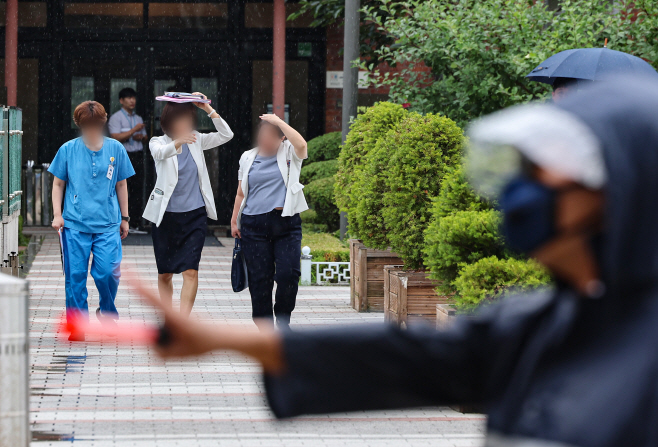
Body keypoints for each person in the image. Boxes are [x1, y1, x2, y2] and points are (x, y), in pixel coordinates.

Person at [136, 78, 658, 445]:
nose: (522, 193)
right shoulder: (541, 320)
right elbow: (405, 357)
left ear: (623, 194)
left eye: (546, 177)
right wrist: (219, 340)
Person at [50, 101, 135, 342]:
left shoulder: (116, 149)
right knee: (75, 277)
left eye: (96, 124)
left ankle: (107, 312)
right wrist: (58, 215)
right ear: (79, 124)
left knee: (108, 272)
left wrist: (125, 218)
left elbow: (121, 184)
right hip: (75, 224)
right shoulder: (68, 149)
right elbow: (58, 184)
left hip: (108, 223)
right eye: (87, 125)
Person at [143, 93, 233, 317]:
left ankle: (182, 324)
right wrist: (177, 142)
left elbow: (226, 134)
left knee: (191, 271)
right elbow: (160, 153)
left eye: (188, 120)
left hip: (194, 216)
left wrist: (207, 109)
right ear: (169, 122)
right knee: (165, 273)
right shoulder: (158, 142)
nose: (185, 125)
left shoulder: (196, 139)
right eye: (180, 120)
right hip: (166, 217)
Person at [230, 114, 308, 331]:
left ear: (281, 138)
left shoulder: (290, 153)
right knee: (259, 280)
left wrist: (279, 122)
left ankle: (283, 320)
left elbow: (302, 144)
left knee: (288, 274)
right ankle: (265, 329)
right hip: (253, 225)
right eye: (262, 135)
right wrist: (234, 221)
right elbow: (240, 193)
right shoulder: (248, 157)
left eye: (270, 136)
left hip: (286, 224)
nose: (264, 140)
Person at [108, 87, 147, 233]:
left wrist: (140, 137)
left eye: (134, 98)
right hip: (122, 156)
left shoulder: (138, 118)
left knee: (137, 189)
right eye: (129, 98)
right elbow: (115, 137)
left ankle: (136, 223)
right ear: (121, 101)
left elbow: (144, 137)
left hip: (137, 155)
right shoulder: (116, 117)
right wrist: (132, 132)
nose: (132, 101)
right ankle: (120, 222)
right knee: (122, 188)